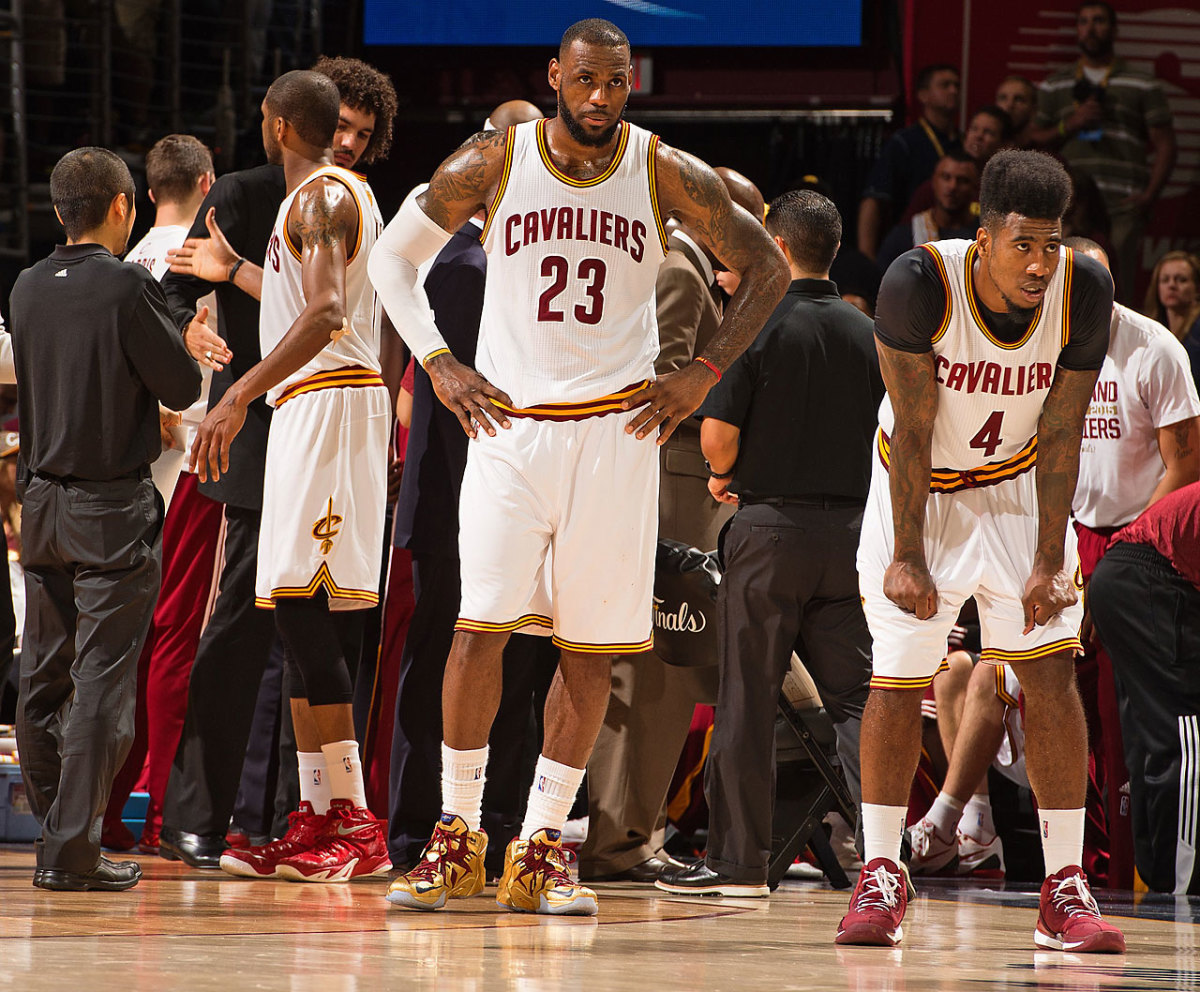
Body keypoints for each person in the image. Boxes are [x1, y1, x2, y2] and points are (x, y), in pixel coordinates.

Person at [372, 17, 789, 916]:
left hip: (617, 437)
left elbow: (766, 267)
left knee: (589, 646)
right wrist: (438, 362)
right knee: (478, 630)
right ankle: (455, 837)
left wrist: (705, 373)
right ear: (555, 74)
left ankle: (544, 848)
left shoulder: (664, 168)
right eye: (587, 80)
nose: (601, 98)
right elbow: (390, 259)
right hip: (512, 433)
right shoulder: (496, 160)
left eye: (618, 82)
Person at [837, 149, 1125, 953]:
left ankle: (1063, 886)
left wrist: (1046, 559)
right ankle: (884, 870)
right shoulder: (917, 281)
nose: (1040, 264)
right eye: (1023, 245)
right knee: (899, 675)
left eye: (1052, 244)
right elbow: (916, 426)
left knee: (1048, 669)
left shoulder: (1084, 289)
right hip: (917, 486)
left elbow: (1063, 431)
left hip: (1017, 486)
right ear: (986, 235)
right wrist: (906, 554)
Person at [158, 57, 398, 868]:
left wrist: (239, 392)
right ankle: (316, 815)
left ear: (277, 122)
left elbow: (326, 312)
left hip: (325, 399)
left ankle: (352, 821)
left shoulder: (323, 195)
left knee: (306, 615)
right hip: (314, 406)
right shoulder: (331, 195)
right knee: (299, 611)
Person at [909, 237, 1200, 883]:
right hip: (1058, 535)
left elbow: (1184, 464)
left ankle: (1124, 872)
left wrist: (1121, 560)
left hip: (1140, 547)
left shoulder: (1155, 348)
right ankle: (1030, 848)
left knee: (1115, 721)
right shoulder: (1046, 339)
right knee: (1027, 687)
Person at [656, 189, 878, 896]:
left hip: (769, 530)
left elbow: (718, 436)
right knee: (857, 701)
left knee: (747, 698)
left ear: (777, 250)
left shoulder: (754, 326)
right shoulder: (868, 332)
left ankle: (740, 865)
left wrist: (723, 476)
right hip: (852, 534)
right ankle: (884, 861)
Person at [12, 147, 201, 890]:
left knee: (41, 676)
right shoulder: (127, 287)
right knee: (100, 685)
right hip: (108, 508)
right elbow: (181, 384)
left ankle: (57, 838)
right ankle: (71, 851)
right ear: (124, 207)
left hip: (41, 505)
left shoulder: (26, 287)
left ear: (60, 211)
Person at [386, 98, 561, 876]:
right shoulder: (464, 262)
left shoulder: (500, 256)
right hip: (460, 497)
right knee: (452, 667)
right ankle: (426, 828)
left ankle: (495, 830)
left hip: (507, 496)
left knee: (515, 672)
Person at [578, 166, 764, 886]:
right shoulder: (681, 268)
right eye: (746, 226)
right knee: (656, 675)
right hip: (673, 486)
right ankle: (621, 843)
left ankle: (634, 833)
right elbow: (663, 387)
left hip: (678, 486)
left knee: (666, 673)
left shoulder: (679, 262)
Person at [100, 133, 222, 854]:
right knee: (178, 641)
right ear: (208, 183)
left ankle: (111, 806)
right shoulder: (205, 263)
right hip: (198, 465)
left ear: (147, 193)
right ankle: (164, 808)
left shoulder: (122, 266)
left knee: (126, 646)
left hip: (126, 478)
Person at [1088, 481, 1200, 894]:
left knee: (1151, 745)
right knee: (1186, 735)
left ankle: (1160, 877)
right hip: (1149, 577)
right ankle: (1183, 885)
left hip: (1124, 573)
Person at [1031, 1, 1176, 305]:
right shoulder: (1056, 84)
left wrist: (1149, 196)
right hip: (1072, 203)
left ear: (1114, 29)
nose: (1090, 28)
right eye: (1083, 21)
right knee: (1062, 279)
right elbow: (1035, 138)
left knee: (1117, 286)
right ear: (1076, 30)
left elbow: (1165, 144)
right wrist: (1070, 124)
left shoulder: (1142, 83)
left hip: (1122, 200)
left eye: (1098, 21)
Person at [858, 64, 961, 261]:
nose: (953, 91)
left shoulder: (963, 142)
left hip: (955, 240)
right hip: (910, 242)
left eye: (956, 85)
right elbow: (873, 201)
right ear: (923, 95)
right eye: (945, 85)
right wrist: (866, 260)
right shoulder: (904, 142)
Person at [877, 150, 979, 272]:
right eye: (946, 177)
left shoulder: (984, 238)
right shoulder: (904, 236)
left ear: (974, 188)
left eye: (962, 180)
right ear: (934, 182)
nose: (952, 186)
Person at [1143, 251, 1200, 395]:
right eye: (1165, 280)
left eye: (1181, 280)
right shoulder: (1149, 329)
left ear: (1197, 288)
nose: (1172, 285)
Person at [996, 76, 1037, 149]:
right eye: (1003, 98)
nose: (1009, 105)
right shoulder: (983, 154)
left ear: (1033, 108)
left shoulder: (1045, 156)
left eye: (1019, 99)